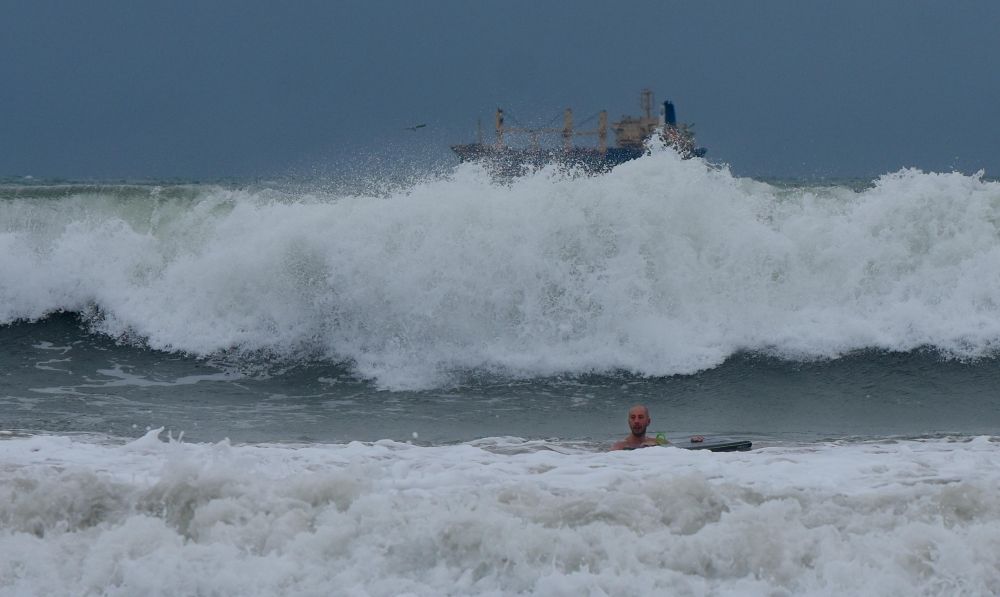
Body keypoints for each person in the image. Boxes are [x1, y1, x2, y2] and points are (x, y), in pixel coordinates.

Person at [610, 404, 704, 450]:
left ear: (648, 421)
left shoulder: (657, 442)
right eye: (633, 417)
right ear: (628, 422)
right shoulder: (620, 446)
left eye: (641, 417)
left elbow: (678, 449)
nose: (636, 421)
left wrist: (692, 441)